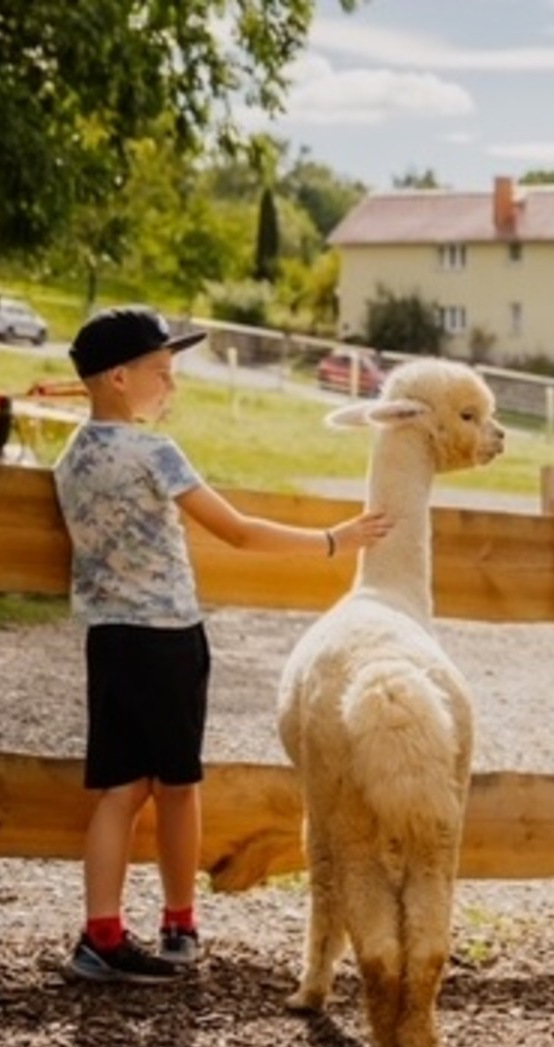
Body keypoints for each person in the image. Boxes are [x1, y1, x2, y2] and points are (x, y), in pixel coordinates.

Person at [52, 305, 393, 984]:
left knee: (118, 791)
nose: (170, 385)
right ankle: (180, 924)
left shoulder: (72, 457)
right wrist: (333, 541)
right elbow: (234, 531)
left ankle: (101, 935)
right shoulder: (154, 453)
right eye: (161, 371)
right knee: (179, 784)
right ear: (119, 378)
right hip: (169, 639)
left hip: (109, 639)